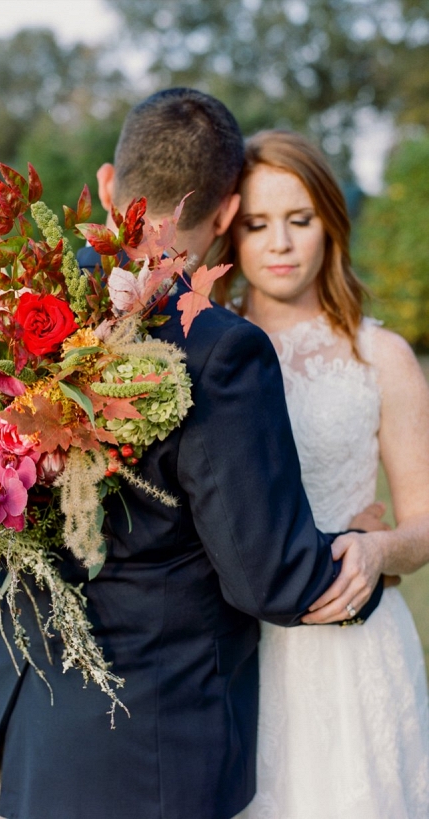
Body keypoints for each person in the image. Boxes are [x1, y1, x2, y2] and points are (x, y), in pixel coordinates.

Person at [0, 90, 383, 819]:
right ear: (226, 216)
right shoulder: (222, 350)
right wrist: (366, 559)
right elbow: (272, 579)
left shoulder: (14, 317)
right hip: (149, 755)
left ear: (107, 183)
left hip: (27, 732)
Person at [217, 129, 429, 818]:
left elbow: (423, 520)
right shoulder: (200, 351)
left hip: (354, 646)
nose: (279, 243)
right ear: (230, 232)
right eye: (257, 224)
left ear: (330, 224)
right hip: (238, 647)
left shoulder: (383, 356)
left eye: (299, 220)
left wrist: (380, 549)